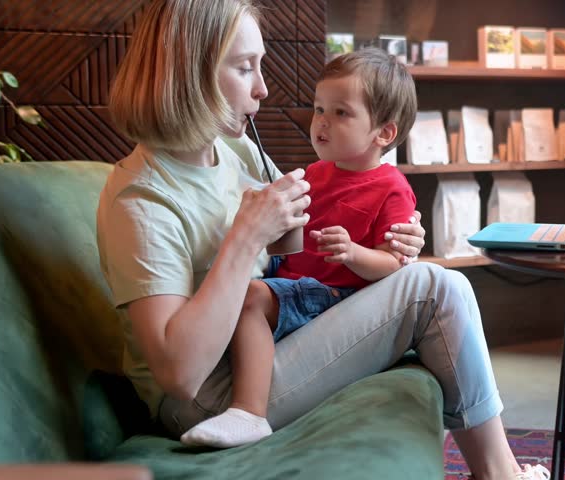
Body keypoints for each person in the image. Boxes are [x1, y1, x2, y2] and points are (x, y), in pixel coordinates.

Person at [96, 0, 549, 478]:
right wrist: (245, 239)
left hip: (271, 337)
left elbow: (302, 234)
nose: (262, 87)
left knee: (428, 282)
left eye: (260, 65)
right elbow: (179, 377)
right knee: (438, 288)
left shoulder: (233, 149)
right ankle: (501, 474)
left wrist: (392, 240)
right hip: (209, 398)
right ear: (190, 73)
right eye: (245, 68)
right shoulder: (142, 201)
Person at [179, 47, 419, 448]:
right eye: (319, 109)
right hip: (294, 281)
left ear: (384, 133)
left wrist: (353, 253)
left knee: (251, 296)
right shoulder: (315, 173)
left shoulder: (392, 188)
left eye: (341, 113)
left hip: (335, 295)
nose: (321, 122)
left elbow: (395, 264)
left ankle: (249, 413)